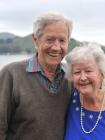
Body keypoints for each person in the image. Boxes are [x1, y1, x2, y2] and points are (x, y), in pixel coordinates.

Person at [0, 11, 73, 140]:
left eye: (62, 40)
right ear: (36, 40)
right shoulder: (11, 74)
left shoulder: (72, 76)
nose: (56, 47)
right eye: (50, 40)